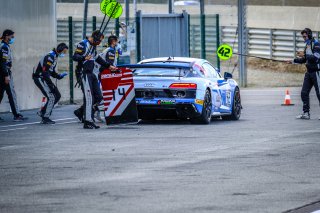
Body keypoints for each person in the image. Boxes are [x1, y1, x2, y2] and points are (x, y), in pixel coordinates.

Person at [72, 30, 117, 129]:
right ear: (95, 38)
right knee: (89, 98)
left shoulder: (93, 47)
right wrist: (84, 58)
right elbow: (75, 56)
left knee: (99, 97)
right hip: (84, 73)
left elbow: (98, 59)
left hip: (92, 73)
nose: (100, 43)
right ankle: (88, 121)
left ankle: (83, 114)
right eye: (99, 41)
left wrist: (109, 66)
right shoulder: (83, 44)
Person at [287, 28, 320, 120]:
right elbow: (304, 60)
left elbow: (316, 58)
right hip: (309, 72)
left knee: (319, 94)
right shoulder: (307, 45)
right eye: (303, 36)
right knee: (304, 93)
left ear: (309, 35)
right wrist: (292, 61)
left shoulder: (316, 44)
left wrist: (304, 55)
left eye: (305, 36)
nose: (303, 38)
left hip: (316, 72)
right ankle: (306, 113)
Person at [32, 43, 68, 124]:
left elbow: (51, 71)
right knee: (51, 97)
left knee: (57, 95)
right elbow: (45, 72)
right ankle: (45, 117)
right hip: (40, 78)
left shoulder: (54, 57)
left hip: (44, 78)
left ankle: (43, 111)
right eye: (64, 52)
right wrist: (50, 84)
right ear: (60, 49)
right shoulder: (50, 56)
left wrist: (59, 76)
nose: (64, 54)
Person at [0, 29, 27, 122]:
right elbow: (3, 62)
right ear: (7, 36)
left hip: (2, 72)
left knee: (0, 94)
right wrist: (6, 75)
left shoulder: (3, 45)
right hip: (4, 73)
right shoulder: (4, 47)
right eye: (12, 37)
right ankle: (17, 115)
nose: (13, 38)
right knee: (11, 94)